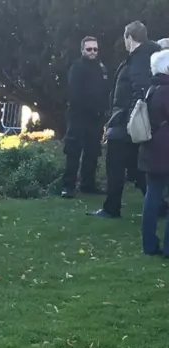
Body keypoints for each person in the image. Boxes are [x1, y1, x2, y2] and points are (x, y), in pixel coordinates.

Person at [88, 21, 161, 218]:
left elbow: (140, 91)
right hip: (129, 124)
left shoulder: (137, 59)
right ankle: (159, 206)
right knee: (137, 170)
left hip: (124, 126)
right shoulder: (147, 57)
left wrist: (130, 119)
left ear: (129, 37)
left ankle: (112, 208)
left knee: (115, 167)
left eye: (125, 38)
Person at [61, 36, 110, 198]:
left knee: (92, 151)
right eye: (89, 49)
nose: (92, 52)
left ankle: (88, 185)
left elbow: (105, 91)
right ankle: (68, 186)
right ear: (82, 50)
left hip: (95, 118)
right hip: (78, 116)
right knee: (74, 151)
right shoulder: (77, 67)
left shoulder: (101, 68)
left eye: (95, 49)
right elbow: (76, 93)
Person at [138, 50, 169, 255]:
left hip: (151, 150)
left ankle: (149, 244)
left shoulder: (151, 89)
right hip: (166, 150)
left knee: (152, 197)